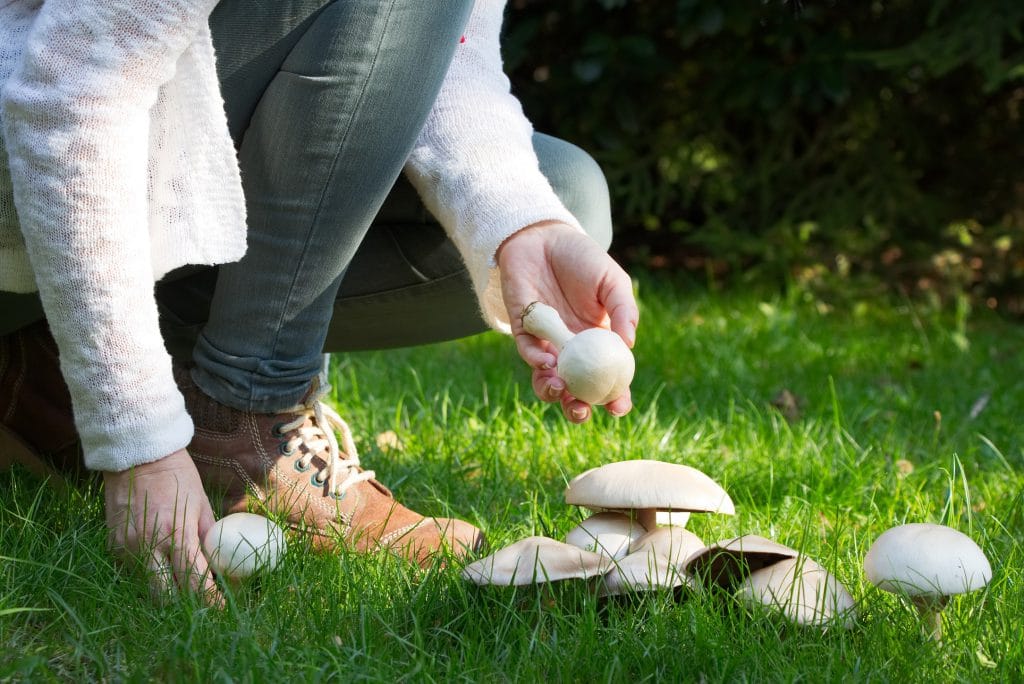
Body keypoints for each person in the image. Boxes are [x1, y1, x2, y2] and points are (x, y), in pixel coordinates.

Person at [0, 0, 638, 603]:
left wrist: (523, 227)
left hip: (118, 162)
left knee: (565, 196)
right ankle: (240, 415)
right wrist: (134, 432)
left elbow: (435, 45)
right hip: (27, 154)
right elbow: (72, 85)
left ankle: (51, 366)